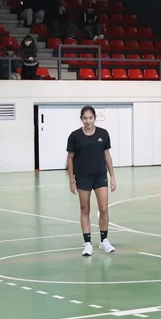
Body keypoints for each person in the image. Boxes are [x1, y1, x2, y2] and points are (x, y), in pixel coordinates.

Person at [66, 106, 116, 256]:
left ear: (95, 117)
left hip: (100, 175)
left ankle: (104, 240)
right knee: (84, 209)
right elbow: (70, 159)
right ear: (81, 119)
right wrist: (71, 180)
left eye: (90, 118)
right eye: (85, 118)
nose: (88, 121)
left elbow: (107, 155)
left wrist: (112, 177)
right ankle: (87, 243)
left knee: (104, 208)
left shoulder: (103, 134)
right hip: (83, 177)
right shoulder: (75, 136)